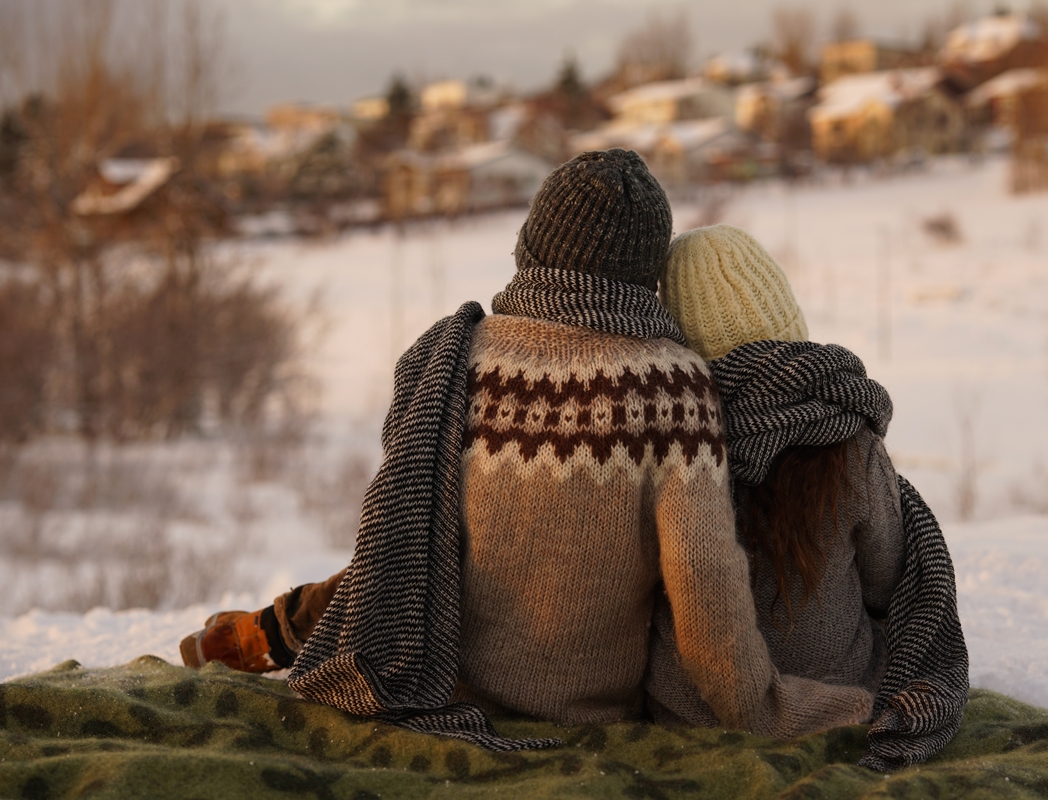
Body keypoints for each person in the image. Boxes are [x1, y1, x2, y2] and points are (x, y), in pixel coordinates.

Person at [180, 150, 871, 749]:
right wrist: (783, 710)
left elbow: (401, 552)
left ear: (531, 246)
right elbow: (705, 602)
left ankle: (259, 632)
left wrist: (285, 627)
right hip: (583, 723)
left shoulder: (452, 360)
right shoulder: (673, 388)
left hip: (438, 693)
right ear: (644, 274)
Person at [649, 224, 970, 770]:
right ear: (785, 319)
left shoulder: (663, 435)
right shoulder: (847, 440)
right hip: (839, 698)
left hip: (687, 709)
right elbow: (888, 580)